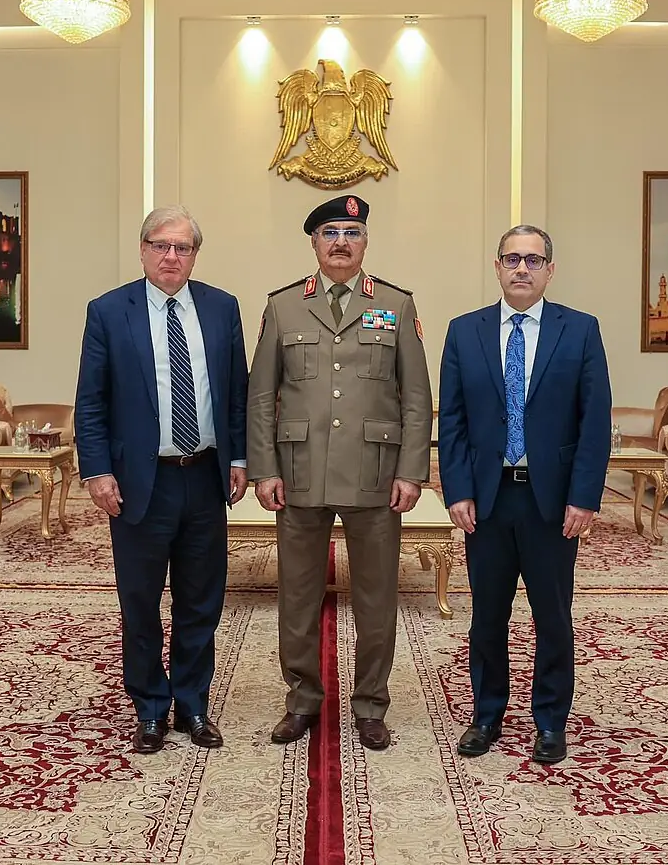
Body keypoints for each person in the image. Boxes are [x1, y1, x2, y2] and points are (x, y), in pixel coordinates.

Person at [247, 194, 433, 751]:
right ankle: (302, 700)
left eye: (351, 232)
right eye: (330, 232)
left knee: (376, 600)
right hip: (299, 473)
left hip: (376, 475)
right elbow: (261, 397)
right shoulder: (283, 307)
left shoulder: (396, 305)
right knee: (297, 596)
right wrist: (264, 468)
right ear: (314, 242)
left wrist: (411, 471)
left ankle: (371, 705)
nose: (341, 242)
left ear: (366, 241)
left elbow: (417, 398)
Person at [74, 205, 249, 754]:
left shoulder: (223, 309)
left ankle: (193, 704)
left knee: (202, 600)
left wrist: (240, 459)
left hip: (203, 480)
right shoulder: (108, 311)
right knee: (141, 601)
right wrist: (97, 470)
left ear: (196, 254)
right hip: (137, 484)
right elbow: (91, 401)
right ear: (143, 249)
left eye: (183, 247)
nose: (171, 256)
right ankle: (149, 707)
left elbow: (236, 395)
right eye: (161, 245)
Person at [437, 224, 612, 764]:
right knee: (487, 614)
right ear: (496, 267)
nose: (521, 268)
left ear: (550, 271)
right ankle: (487, 713)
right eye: (512, 258)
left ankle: (551, 720)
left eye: (533, 260)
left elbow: (594, 420)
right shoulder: (464, 331)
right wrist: (457, 489)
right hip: (488, 499)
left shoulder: (580, 331)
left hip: (552, 502)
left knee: (552, 614)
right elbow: (455, 422)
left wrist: (583, 497)